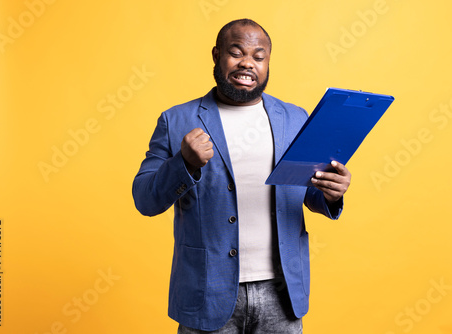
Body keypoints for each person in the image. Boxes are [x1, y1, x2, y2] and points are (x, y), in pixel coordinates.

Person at [132, 18, 351, 333]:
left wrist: (332, 192)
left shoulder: (294, 118)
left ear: (267, 63)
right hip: (206, 292)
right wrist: (184, 162)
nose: (247, 63)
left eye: (258, 56)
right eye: (236, 53)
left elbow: (308, 192)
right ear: (216, 55)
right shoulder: (176, 120)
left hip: (283, 294)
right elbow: (145, 199)